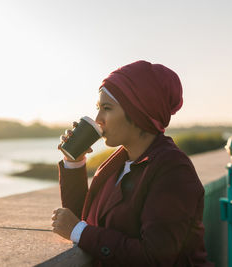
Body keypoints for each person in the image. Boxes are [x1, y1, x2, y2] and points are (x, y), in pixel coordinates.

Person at [52, 60, 213, 266]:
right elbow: (83, 220)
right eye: (98, 108)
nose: (98, 118)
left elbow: (155, 257)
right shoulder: (118, 161)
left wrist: (79, 232)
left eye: (107, 108)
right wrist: (73, 162)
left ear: (139, 111)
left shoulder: (173, 170)